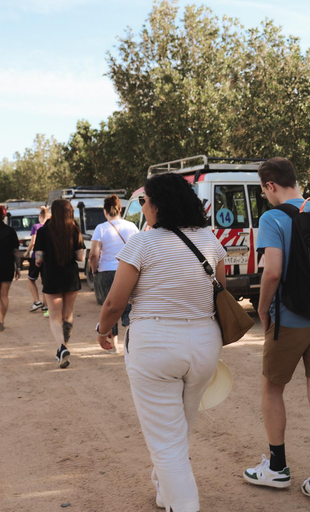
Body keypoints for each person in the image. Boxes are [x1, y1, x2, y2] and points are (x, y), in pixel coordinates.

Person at [96, 172, 225, 512]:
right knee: (179, 427)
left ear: (158, 204)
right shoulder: (210, 241)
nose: (144, 208)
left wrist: (102, 330)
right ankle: (164, 493)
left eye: (145, 201)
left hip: (154, 344)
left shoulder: (143, 242)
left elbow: (114, 302)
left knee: (166, 440)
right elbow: (218, 295)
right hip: (204, 343)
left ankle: (183, 505)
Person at [243, 157, 310, 508]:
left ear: (271, 186)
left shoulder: (272, 218)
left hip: (288, 322)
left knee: (272, 389)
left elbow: (271, 272)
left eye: (263, 189)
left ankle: (277, 467)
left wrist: (261, 309)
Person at [34, 199, 85, 368]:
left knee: (54, 316)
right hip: (70, 276)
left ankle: (61, 347)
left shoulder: (43, 231)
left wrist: (39, 261)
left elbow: (39, 258)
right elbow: (80, 257)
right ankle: (65, 347)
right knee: (67, 315)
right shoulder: (74, 229)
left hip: (52, 276)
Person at [89, 194, 138, 353]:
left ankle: (114, 345)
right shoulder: (132, 226)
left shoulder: (101, 228)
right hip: (128, 270)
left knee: (109, 306)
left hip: (106, 272)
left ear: (105, 211)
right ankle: (131, 343)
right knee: (129, 306)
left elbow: (94, 254)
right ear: (120, 209)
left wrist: (94, 270)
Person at [23, 206, 50, 315]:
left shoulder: (36, 226)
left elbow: (33, 242)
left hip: (36, 256)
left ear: (40, 216)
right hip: (47, 256)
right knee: (45, 281)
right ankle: (45, 305)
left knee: (31, 279)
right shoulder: (50, 227)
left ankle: (36, 301)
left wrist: (27, 252)